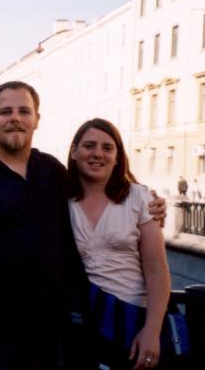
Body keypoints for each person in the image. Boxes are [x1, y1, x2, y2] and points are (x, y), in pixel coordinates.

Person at [0, 81, 166, 370]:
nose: (15, 118)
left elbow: (95, 187)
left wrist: (149, 203)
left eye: (24, 111)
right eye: (6, 112)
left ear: (36, 119)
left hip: (46, 335)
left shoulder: (51, 171)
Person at [66, 118, 171, 369]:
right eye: (89, 145)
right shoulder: (59, 198)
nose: (98, 154)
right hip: (79, 321)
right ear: (74, 151)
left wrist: (151, 330)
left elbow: (157, 271)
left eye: (107, 148)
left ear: (117, 156)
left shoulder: (139, 198)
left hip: (131, 321)